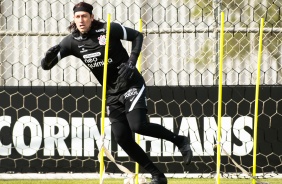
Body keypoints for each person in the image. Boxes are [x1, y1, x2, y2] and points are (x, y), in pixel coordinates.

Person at [41, 2, 193, 184]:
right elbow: (46, 66)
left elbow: (137, 35)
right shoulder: (71, 42)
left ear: (91, 17)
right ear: (74, 19)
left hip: (131, 85)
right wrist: (47, 59)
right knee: (122, 138)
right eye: (77, 17)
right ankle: (158, 176)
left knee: (138, 126)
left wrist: (131, 62)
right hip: (111, 93)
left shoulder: (108, 29)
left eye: (84, 16)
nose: (81, 20)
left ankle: (180, 140)